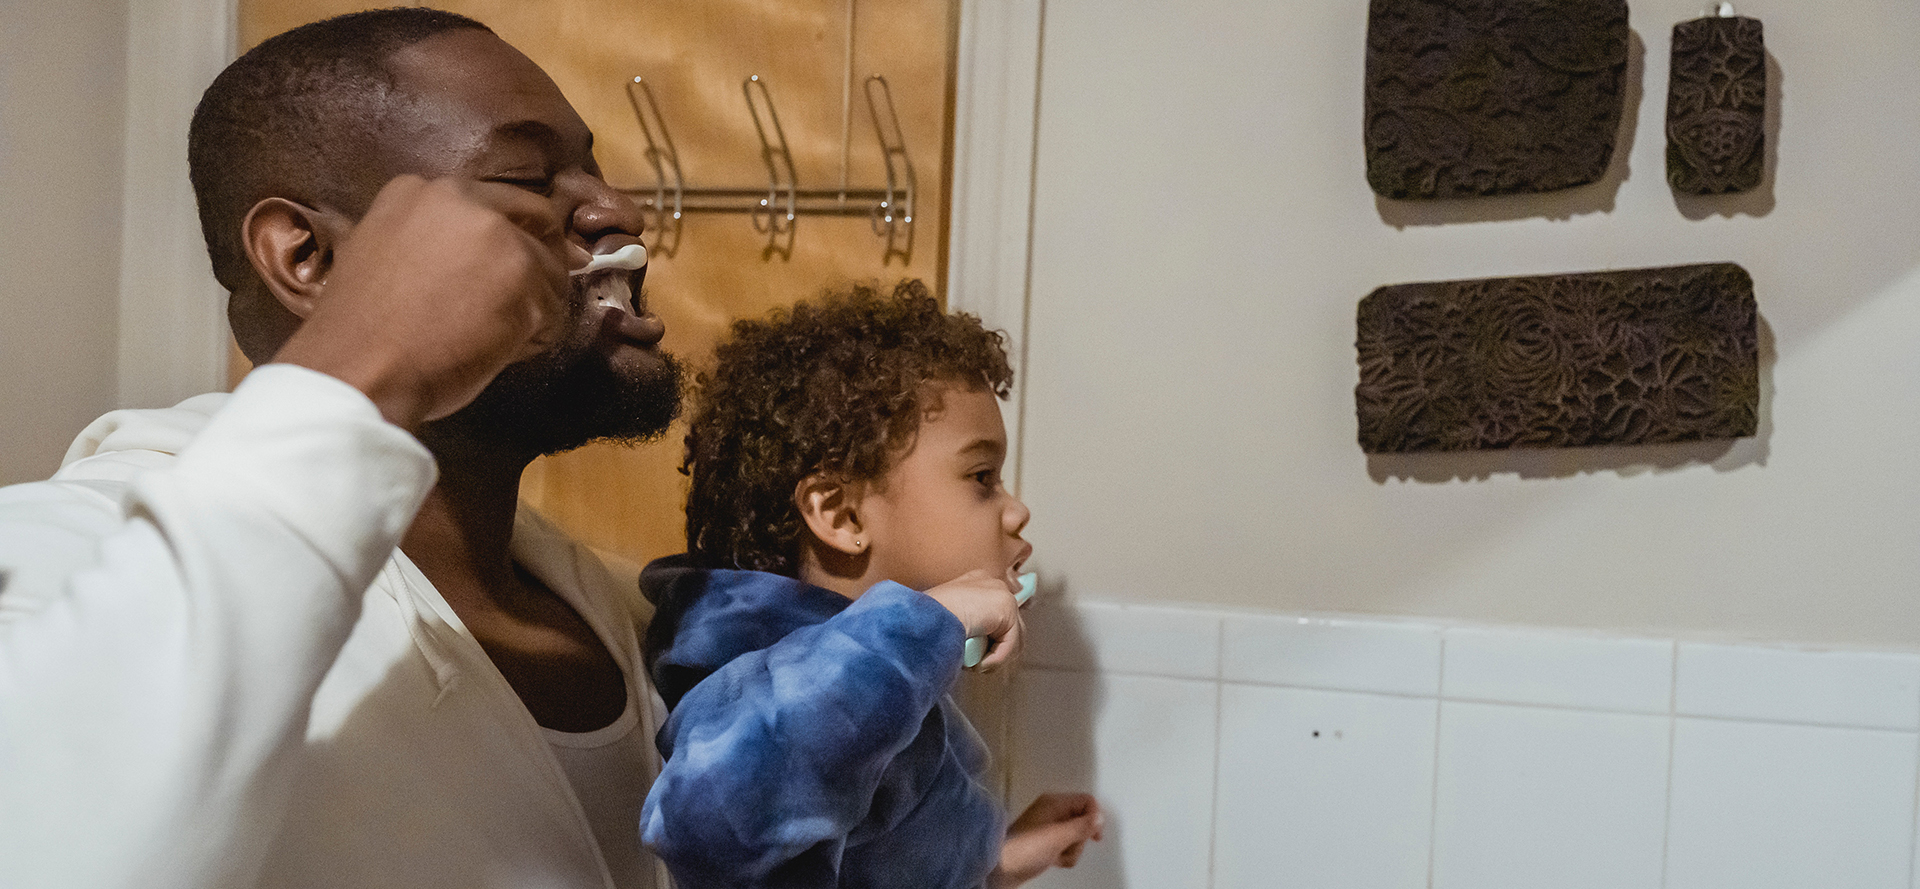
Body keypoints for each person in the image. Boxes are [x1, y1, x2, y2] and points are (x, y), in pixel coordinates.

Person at [1, 9, 682, 888]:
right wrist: (367, 367)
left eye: (590, 165)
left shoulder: (617, 611)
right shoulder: (56, 546)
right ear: (309, 258)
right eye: (524, 175)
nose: (616, 208)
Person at [639, 280, 1104, 889]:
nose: (1015, 511)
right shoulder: (761, 671)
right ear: (842, 515)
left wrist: (997, 857)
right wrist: (924, 625)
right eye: (982, 476)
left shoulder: (875, 681)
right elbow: (711, 823)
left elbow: (880, 857)